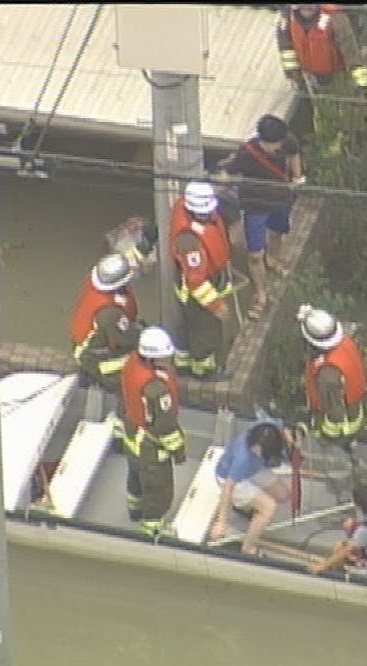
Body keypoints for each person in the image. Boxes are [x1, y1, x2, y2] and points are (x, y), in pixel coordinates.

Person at [215, 114, 304, 321]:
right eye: (276, 143)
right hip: (254, 206)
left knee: (277, 233)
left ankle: (273, 259)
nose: (280, 145)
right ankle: (261, 294)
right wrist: (220, 182)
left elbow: (294, 154)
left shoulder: (287, 141)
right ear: (266, 141)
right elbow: (228, 172)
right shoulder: (247, 153)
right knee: (255, 255)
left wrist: (297, 178)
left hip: (280, 199)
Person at [118, 326, 188, 537]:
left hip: (132, 432)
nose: (168, 361)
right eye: (164, 358)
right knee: (159, 488)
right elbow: (165, 427)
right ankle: (152, 527)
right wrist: (179, 452)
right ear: (152, 359)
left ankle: (135, 509)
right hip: (150, 445)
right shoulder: (157, 389)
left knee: (136, 475)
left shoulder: (133, 364)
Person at [169, 181, 235, 380]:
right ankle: (204, 370)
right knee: (206, 330)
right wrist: (216, 305)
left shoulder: (184, 207)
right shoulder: (189, 239)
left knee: (187, 327)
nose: (207, 215)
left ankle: (182, 364)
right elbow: (196, 280)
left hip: (197, 282)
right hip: (198, 292)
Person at [68, 253, 140, 424]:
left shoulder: (96, 288)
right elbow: (125, 340)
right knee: (131, 376)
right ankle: (124, 423)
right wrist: (141, 334)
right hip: (95, 355)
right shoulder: (110, 313)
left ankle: (89, 378)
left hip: (85, 343)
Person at [208, 418, 296, 556]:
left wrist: (292, 438)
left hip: (255, 469)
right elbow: (228, 487)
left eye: (260, 451)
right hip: (231, 479)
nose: (256, 451)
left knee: (283, 495)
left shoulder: (269, 426)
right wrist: (221, 521)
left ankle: (247, 507)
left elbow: (283, 427)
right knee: (269, 507)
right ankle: (248, 548)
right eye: (255, 449)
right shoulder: (242, 458)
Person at [297, 304, 367, 449]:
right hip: (353, 405)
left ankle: (339, 447)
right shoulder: (345, 340)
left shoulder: (327, 376)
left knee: (334, 444)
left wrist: (325, 434)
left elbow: (334, 412)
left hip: (339, 425)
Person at [276, 4, 367, 90]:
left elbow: (349, 47)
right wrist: (295, 75)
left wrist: (360, 81)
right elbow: (286, 49)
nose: (307, 8)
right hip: (309, 76)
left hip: (339, 74)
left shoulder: (334, 16)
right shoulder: (286, 18)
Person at [306, 483, 367, 574]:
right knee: (347, 531)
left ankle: (336, 572)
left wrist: (322, 566)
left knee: (339, 547)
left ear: (358, 506)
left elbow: (346, 550)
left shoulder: (364, 531)